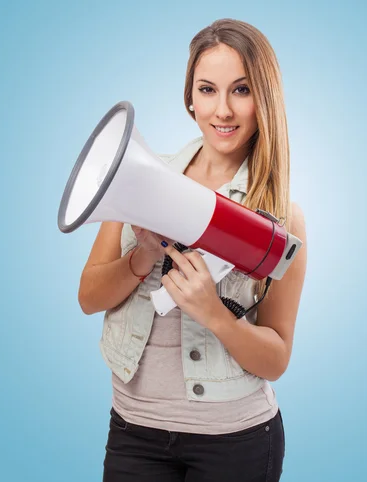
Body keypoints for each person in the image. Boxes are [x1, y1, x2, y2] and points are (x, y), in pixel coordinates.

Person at [78, 18, 307, 482]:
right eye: (207, 90)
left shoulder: (280, 218)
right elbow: (88, 298)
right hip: (133, 431)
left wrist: (214, 314)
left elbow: (277, 358)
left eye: (241, 90)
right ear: (189, 99)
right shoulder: (140, 179)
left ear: (264, 99)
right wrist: (141, 258)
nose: (222, 109)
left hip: (234, 442)